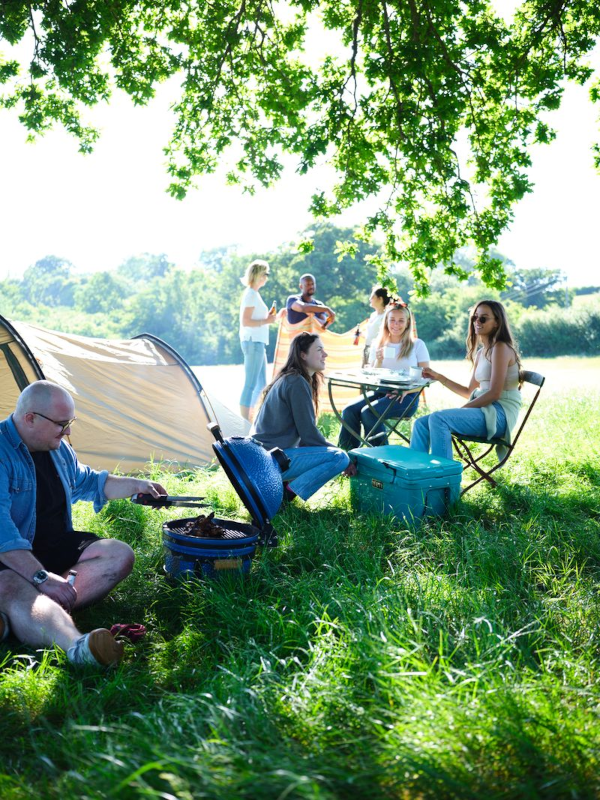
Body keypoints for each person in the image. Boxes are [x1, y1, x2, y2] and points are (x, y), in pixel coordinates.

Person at [0, 381, 167, 668]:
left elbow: (89, 482)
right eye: (61, 424)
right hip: (8, 558)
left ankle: (22, 615)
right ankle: (78, 646)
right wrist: (42, 578)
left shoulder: (57, 448)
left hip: (51, 548)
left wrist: (137, 485)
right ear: (30, 418)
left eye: (70, 423)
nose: (68, 432)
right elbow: (2, 533)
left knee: (119, 554)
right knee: (9, 585)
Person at [410, 300, 522, 460]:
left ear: (497, 322)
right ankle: (417, 471)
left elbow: (494, 393)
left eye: (483, 318)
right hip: (485, 410)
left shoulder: (500, 348)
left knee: (439, 418)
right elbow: (469, 391)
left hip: (499, 415)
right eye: (475, 318)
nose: (477, 322)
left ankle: (444, 474)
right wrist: (440, 377)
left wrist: (462, 410)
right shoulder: (482, 353)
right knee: (421, 424)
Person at [251, 332, 355, 502]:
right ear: (303, 355)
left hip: (264, 458)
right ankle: (286, 496)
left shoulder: (291, 379)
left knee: (335, 455)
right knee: (340, 458)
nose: (325, 354)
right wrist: (346, 458)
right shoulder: (296, 382)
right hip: (268, 461)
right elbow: (309, 436)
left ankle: (282, 489)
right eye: (319, 350)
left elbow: (305, 440)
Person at [338, 303, 430, 450]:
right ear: (386, 321)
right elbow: (372, 375)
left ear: (407, 323)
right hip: (380, 391)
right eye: (392, 320)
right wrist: (379, 360)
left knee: (369, 412)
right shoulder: (378, 344)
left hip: (407, 396)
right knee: (349, 410)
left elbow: (426, 377)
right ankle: (348, 455)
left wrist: (406, 390)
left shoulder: (417, 345)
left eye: (401, 320)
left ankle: (380, 457)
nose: (396, 324)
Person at [239, 259, 278, 422]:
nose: (267, 277)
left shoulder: (254, 294)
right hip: (253, 342)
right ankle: (244, 422)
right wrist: (267, 320)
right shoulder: (250, 294)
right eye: (265, 273)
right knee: (251, 384)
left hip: (258, 343)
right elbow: (246, 321)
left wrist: (270, 318)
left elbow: (256, 318)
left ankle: (256, 419)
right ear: (258, 275)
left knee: (261, 385)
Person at [361, 286, 391, 366]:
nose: (370, 299)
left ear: (380, 299)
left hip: (377, 350)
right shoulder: (373, 315)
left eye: (372, 297)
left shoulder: (387, 316)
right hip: (367, 348)